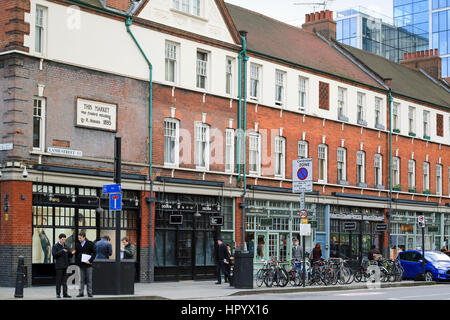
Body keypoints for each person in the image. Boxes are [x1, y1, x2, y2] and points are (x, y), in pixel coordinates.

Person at [52, 233, 75, 298]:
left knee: (65, 281)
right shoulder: (55, 246)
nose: (63, 241)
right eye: (62, 239)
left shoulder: (66, 246)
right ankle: (58, 294)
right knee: (58, 281)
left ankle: (65, 294)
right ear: (59, 239)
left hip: (66, 266)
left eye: (64, 239)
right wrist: (62, 251)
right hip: (59, 266)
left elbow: (69, 255)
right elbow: (54, 255)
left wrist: (72, 253)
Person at [75, 231, 96, 298]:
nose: (79, 239)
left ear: (84, 237)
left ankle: (89, 293)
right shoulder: (77, 244)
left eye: (80, 238)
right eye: (78, 238)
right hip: (81, 264)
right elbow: (77, 253)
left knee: (89, 279)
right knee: (81, 280)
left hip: (88, 264)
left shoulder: (90, 243)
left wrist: (90, 261)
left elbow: (94, 253)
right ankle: (81, 293)